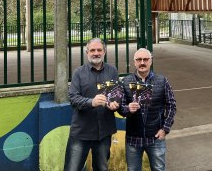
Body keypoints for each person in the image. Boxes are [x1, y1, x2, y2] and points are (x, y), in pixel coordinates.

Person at [64, 38, 120, 171]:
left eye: (99, 50)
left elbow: (118, 94)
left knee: (101, 168)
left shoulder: (112, 71)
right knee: (72, 168)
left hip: (104, 132)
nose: (96, 53)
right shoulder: (79, 72)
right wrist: (91, 102)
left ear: (104, 52)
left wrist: (116, 103)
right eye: (93, 50)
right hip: (81, 132)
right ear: (87, 52)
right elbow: (73, 98)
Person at [120, 48, 177, 171]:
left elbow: (172, 105)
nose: (142, 63)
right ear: (134, 62)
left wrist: (165, 129)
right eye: (139, 60)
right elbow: (121, 108)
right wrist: (127, 108)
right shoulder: (125, 82)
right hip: (133, 139)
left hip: (155, 137)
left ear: (150, 61)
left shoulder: (162, 80)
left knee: (158, 169)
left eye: (145, 59)